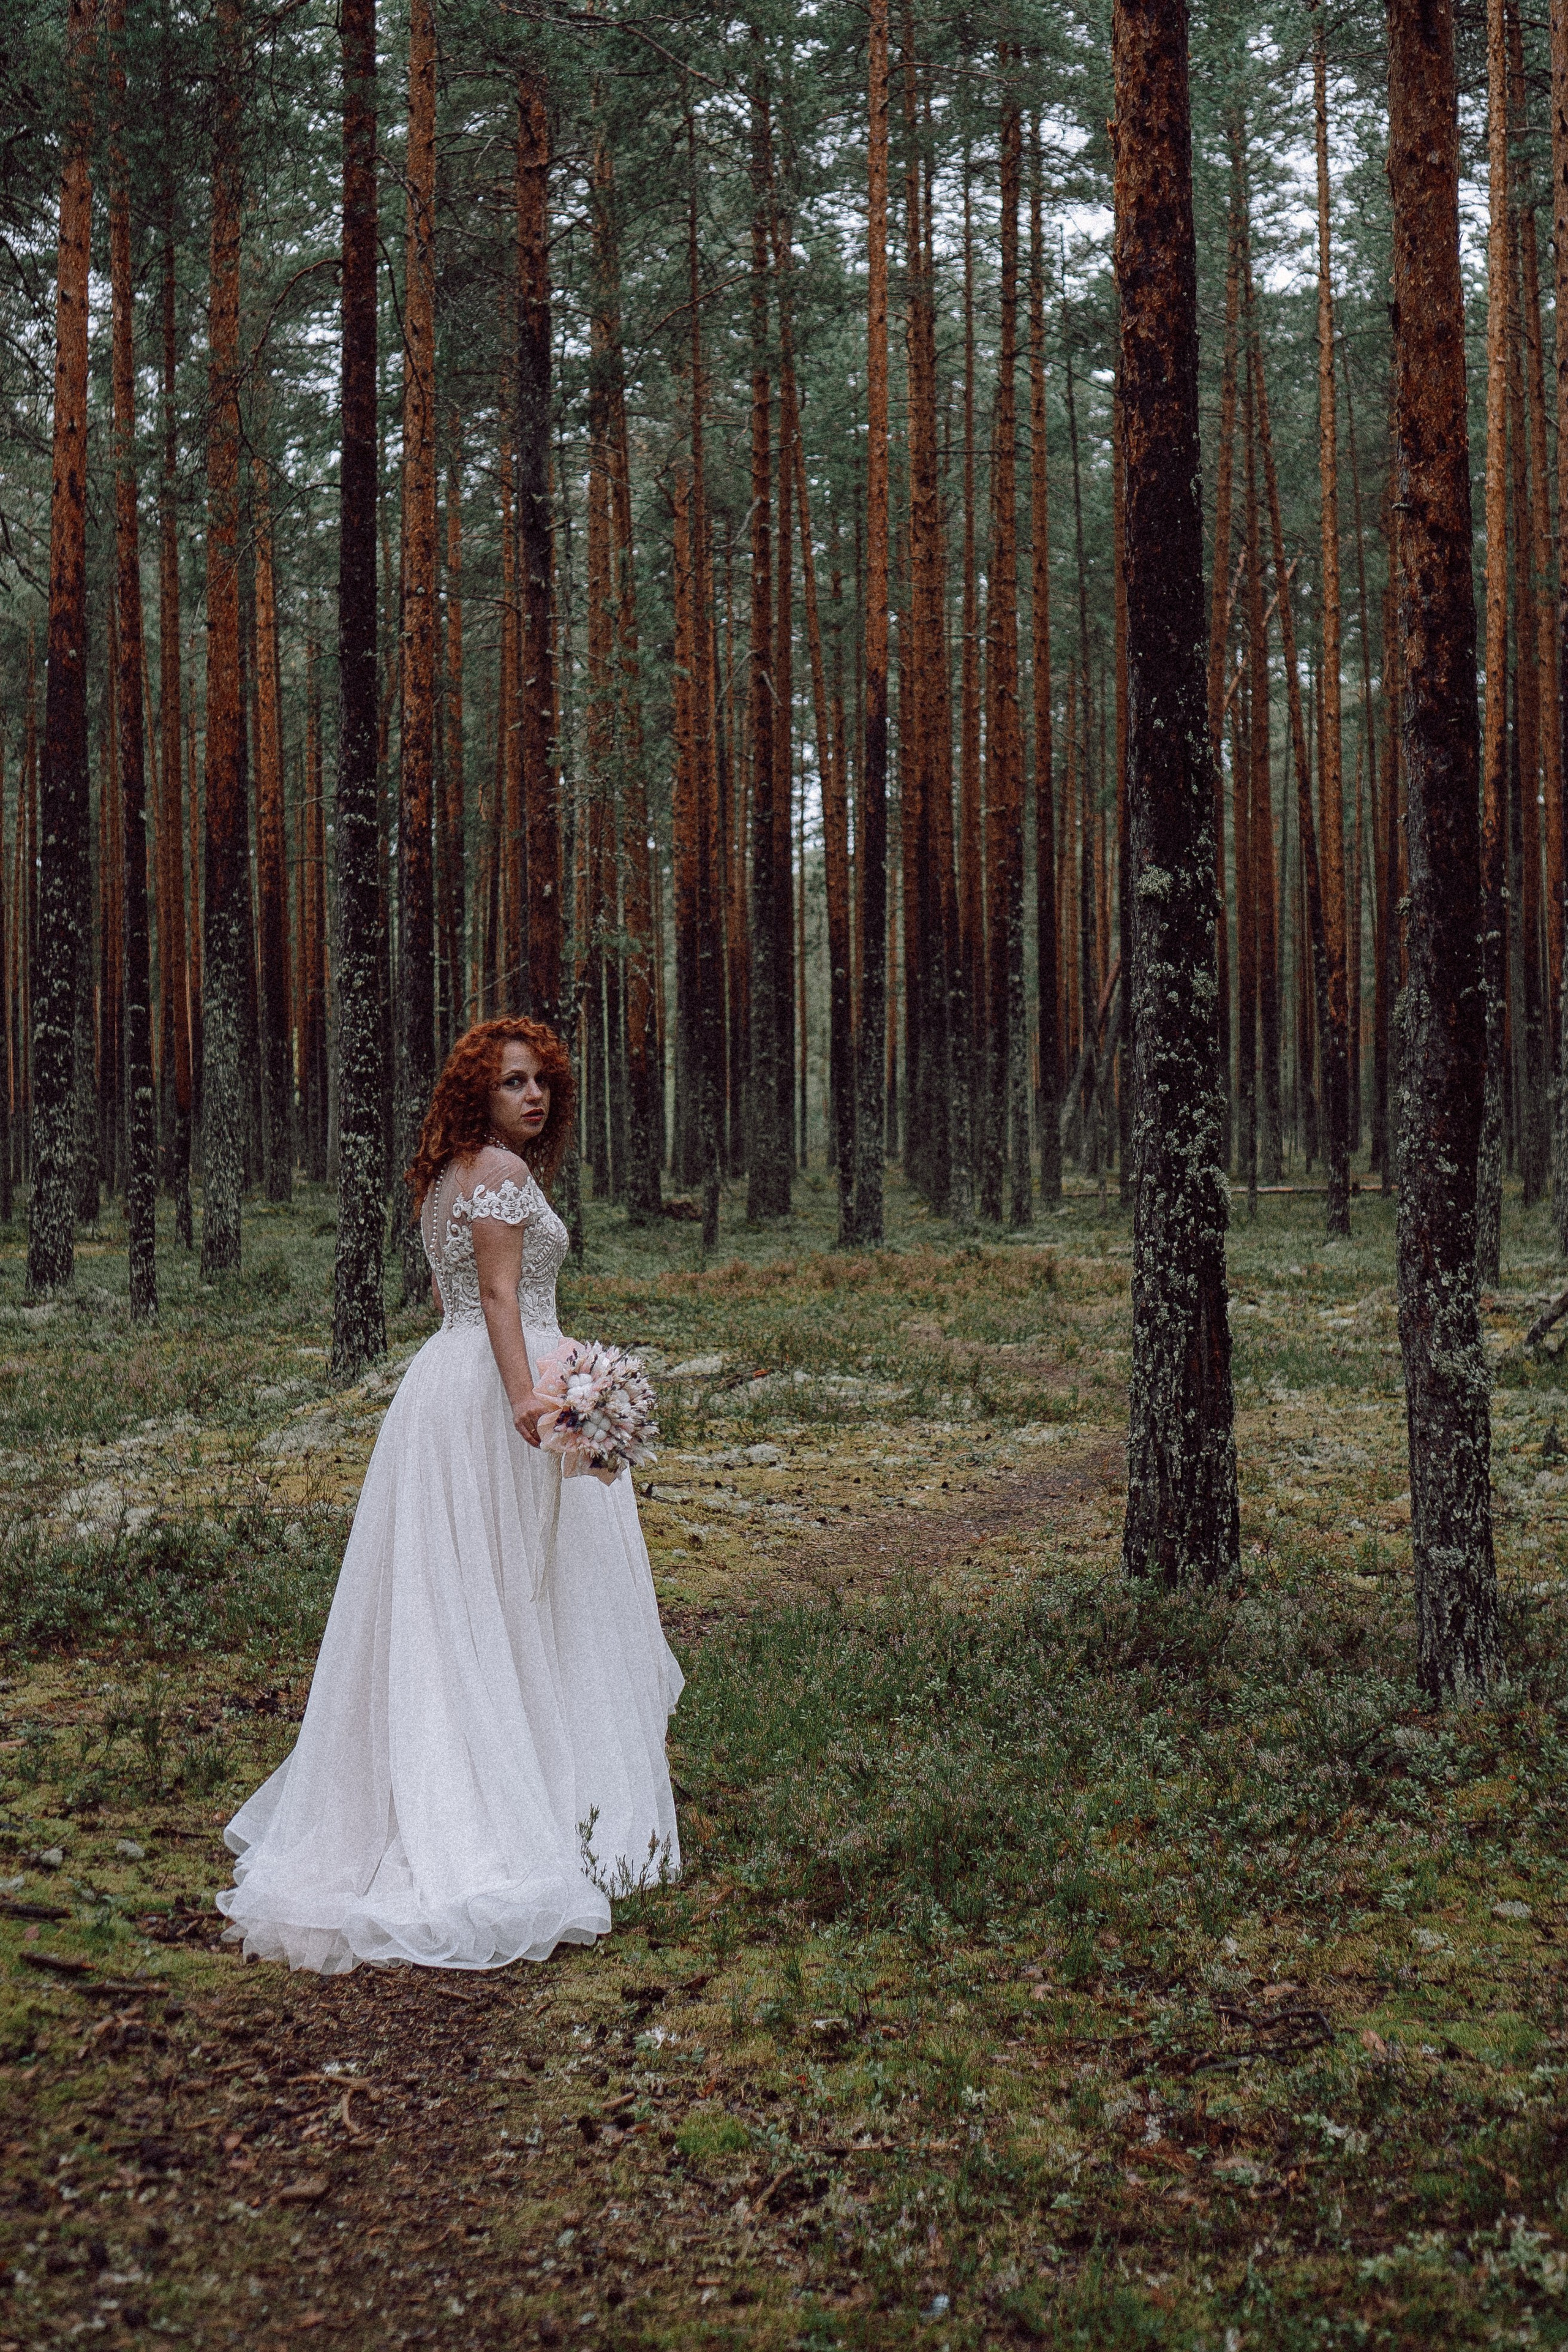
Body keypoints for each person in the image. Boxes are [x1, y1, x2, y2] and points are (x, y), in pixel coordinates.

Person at [216, 1016, 683, 1973]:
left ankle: (475, 1778)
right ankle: (521, 1805)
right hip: (496, 1394)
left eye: (541, 1081)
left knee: (463, 1597)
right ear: (479, 1091)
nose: (534, 1097)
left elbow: (450, 1300)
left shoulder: (445, 1180)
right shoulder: (503, 1177)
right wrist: (533, 1394)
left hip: (442, 1388)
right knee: (512, 1594)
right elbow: (504, 1299)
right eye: (513, 1083)